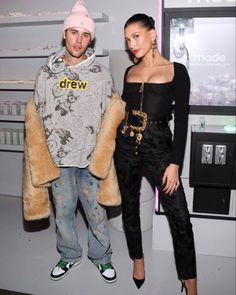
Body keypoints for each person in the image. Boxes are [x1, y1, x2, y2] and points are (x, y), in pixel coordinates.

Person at [34, 0, 117, 283]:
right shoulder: (46, 74)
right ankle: (69, 254)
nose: (78, 40)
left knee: (96, 213)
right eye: (73, 32)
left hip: (90, 159)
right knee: (64, 212)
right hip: (58, 158)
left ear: (91, 37)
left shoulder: (101, 75)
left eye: (85, 34)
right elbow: (37, 116)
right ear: (64, 34)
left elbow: (111, 117)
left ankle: (101, 257)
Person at [114, 13, 198, 294]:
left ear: (152, 34)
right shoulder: (129, 72)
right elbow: (124, 110)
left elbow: (183, 121)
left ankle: (190, 281)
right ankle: (137, 260)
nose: (131, 44)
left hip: (160, 147)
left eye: (136, 36)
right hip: (126, 145)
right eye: (127, 40)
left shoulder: (177, 71)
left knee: (180, 218)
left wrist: (175, 162)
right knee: (129, 207)